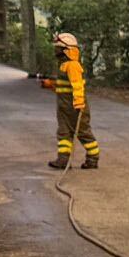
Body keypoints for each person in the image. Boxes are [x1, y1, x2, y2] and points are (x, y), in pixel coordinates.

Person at [35, 31, 99, 170]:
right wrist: (50, 84)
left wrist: (79, 103)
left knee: (83, 132)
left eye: (58, 48)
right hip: (64, 108)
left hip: (76, 107)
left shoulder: (73, 65)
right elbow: (64, 86)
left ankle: (93, 158)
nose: (56, 50)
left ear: (66, 50)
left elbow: (78, 86)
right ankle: (63, 159)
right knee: (63, 132)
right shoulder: (63, 66)